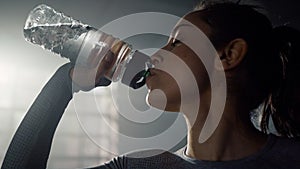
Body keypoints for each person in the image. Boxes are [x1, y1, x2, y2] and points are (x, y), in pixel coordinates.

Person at [2, 0, 300, 168]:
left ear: (228, 55)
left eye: (176, 42)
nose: (156, 55)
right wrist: (64, 81)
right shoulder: (142, 167)